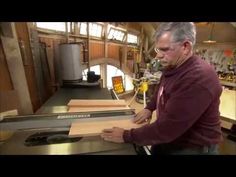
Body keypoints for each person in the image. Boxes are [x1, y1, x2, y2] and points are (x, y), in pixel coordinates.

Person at [101, 22, 223, 155]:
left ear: (186, 47)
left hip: (192, 147)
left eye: (164, 49)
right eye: (157, 49)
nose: (158, 56)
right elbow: (162, 88)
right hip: (170, 138)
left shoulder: (198, 78)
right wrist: (150, 107)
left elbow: (169, 128)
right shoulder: (173, 66)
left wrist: (126, 135)